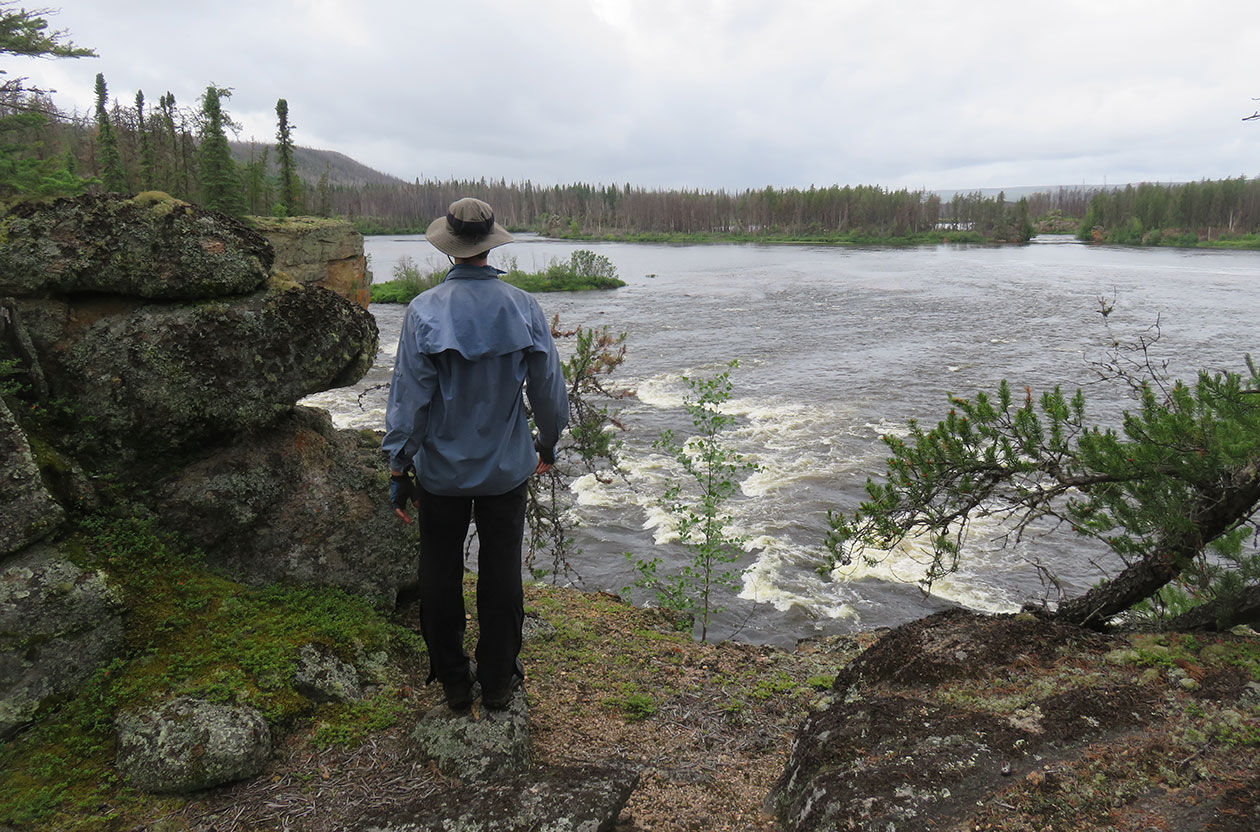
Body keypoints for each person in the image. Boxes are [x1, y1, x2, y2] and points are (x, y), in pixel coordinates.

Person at [382, 197, 569, 711]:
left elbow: (409, 400)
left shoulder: (423, 311)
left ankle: (453, 683)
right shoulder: (523, 306)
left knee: (439, 574)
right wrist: (547, 442)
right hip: (506, 470)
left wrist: (400, 468)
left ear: (449, 246)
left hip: (440, 473)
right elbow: (549, 390)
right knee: (502, 573)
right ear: (490, 244)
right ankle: (499, 682)